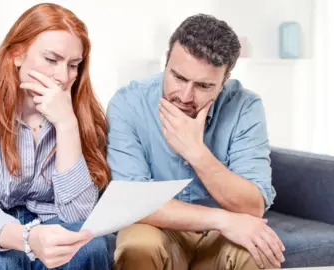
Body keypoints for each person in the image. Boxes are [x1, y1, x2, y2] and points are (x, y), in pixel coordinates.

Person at [0, 3, 112, 270]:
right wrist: (28, 238)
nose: (63, 77)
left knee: (91, 248)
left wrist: (67, 125)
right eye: (51, 60)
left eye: (74, 65)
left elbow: (78, 217)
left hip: (49, 223)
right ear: (17, 54)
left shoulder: (80, 117)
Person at [107, 14, 285, 270]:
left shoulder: (245, 107)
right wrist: (222, 220)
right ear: (166, 60)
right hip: (159, 227)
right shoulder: (129, 104)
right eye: (178, 78)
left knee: (258, 251)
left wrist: (195, 152)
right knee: (137, 248)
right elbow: (133, 203)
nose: (185, 96)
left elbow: (252, 206)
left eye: (203, 85)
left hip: (221, 239)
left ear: (224, 80)